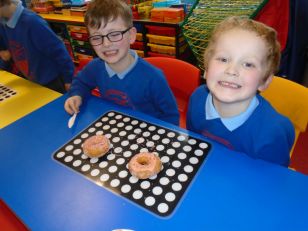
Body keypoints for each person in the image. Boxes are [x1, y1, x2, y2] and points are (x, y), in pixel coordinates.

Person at [187, 16, 295, 166]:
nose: (232, 70)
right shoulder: (197, 98)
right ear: (206, 68)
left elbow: (271, 180)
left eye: (248, 64)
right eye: (223, 59)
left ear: (264, 81)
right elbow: (195, 146)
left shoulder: (272, 132)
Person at [64, 0, 179, 125]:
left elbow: (170, 115)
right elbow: (81, 82)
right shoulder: (95, 67)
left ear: (131, 35)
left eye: (114, 34)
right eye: (97, 37)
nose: (106, 44)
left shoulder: (154, 78)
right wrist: (76, 95)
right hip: (113, 125)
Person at [0, 0, 74, 93]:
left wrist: (68, 79)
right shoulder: (3, 22)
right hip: (32, 80)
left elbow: (59, 51)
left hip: (52, 81)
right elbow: (7, 51)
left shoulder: (33, 22)